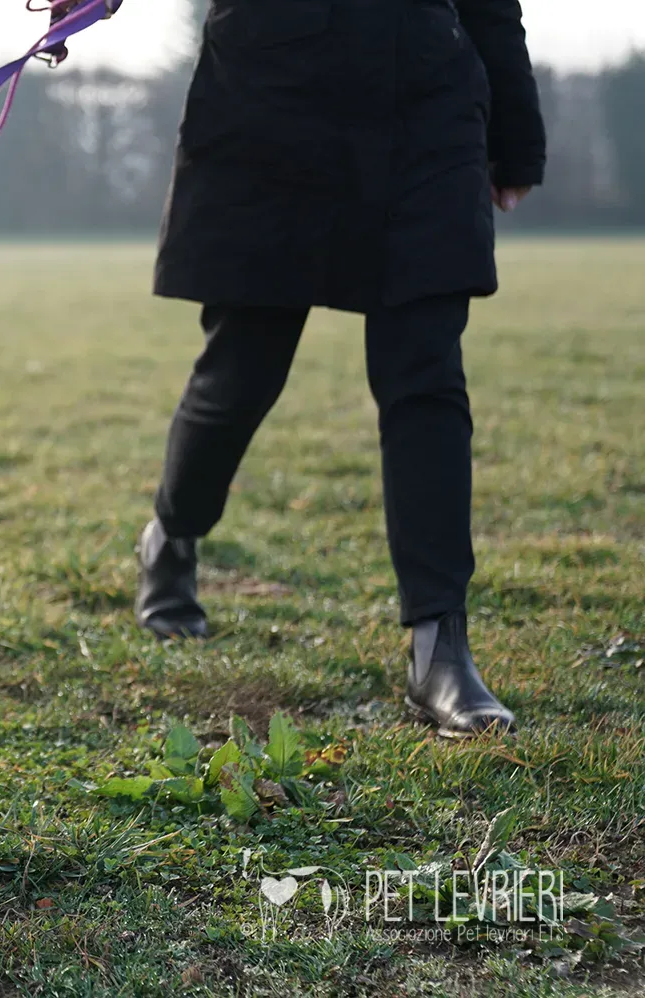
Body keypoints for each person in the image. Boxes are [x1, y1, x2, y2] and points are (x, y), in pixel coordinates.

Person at [139, 0, 544, 736]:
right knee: (242, 372)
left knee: (426, 378)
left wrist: (516, 130)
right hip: (271, 96)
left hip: (423, 102)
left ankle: (439, 648)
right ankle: (172, 535)